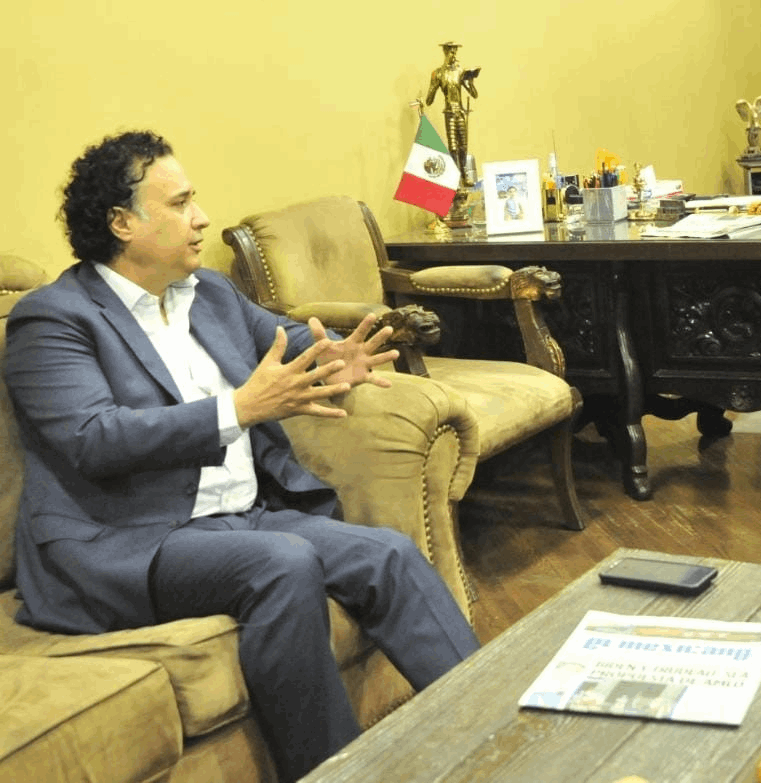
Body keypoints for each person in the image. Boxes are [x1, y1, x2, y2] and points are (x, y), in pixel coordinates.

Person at [4, 131, 480, 782]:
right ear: (122, 223)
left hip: (245, 516)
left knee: (388, 554)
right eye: (180, 203)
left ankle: (502, 732)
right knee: (283, 563)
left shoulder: (208, 292)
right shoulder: (53, 319)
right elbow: (94, 438)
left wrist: (334, 358)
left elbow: (288, 342)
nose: (201, 217)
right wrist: (239, 409)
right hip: (128, 540)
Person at [424, 41, 480, 185]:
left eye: (455, 51)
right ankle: (456, 177)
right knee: (453, 147)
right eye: (451, 51)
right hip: (449, 113)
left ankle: (464, 175)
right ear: (445, 52)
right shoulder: (438, 73)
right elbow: (429, 100)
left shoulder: (460, 71)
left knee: (463, 146)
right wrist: (433, 86)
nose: (453, 54)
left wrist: (470, 81)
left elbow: (474, 94)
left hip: (460, 112)